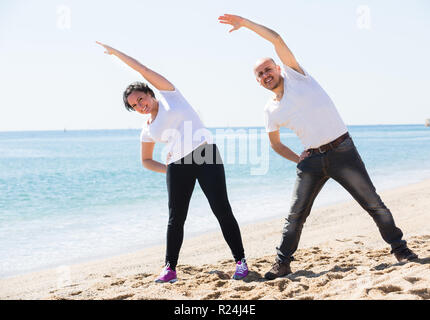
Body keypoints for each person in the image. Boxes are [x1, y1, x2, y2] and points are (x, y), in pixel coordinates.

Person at [218, 14, 418, 280]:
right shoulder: (271, 110)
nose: (266, 75)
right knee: (295, 216)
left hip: (342, 152)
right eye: (260, 74)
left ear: (278, 68)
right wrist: (298, 159)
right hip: (311, 161)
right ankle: (283, 263)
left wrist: (245, 24)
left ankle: (400, 250)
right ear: (258, 82)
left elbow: (277, 39)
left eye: (268, 69)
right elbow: (275, 144)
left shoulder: (297, 76)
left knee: (373, 203)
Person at [96, 41, 249, 283]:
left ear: (149, 92)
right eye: (134, 106)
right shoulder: (147, 129)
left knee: (221, 208)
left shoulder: (170, 96)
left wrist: (116, 54)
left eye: (141, 99)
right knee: (176, 217)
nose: (140, 105)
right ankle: (170, 268)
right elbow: (146, 160)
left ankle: (241, 262)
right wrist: (168, 168)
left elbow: (143, 70)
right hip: (177, 166)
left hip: (204, 153)